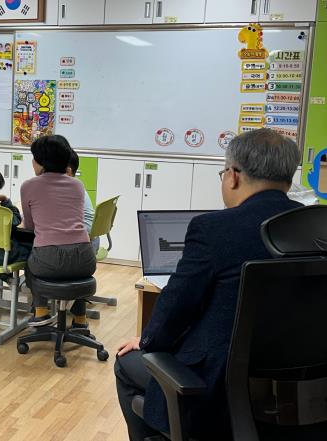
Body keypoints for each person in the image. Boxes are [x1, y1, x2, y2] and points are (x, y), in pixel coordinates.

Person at [114, 128, 302, 441]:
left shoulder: (214, 229)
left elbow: (175, 308)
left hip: (216, 389)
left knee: (126, 364)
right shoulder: (316, 227)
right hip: (300, 388)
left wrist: (146, 341)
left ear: (233, 176)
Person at [21, 135, 96, 328]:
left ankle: (41, 312)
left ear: (41, 162)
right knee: (75, 275)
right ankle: (80, 319)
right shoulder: (77, 185)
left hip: (49, 258)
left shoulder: (29, 186)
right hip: (84, 258)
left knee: (30, 263)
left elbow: (29, 226)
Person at [66, 149, 99, 253]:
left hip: (83, 245)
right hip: (91, 240)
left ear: (68, 172)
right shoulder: (76, 184)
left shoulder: (69, 188)